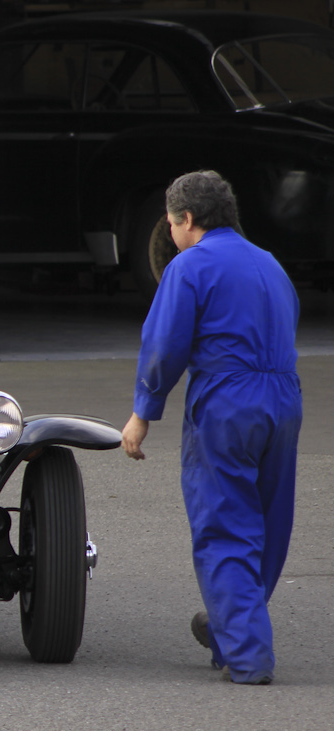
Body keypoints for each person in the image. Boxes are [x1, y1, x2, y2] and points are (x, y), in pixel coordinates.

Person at [121, 171, 301, 686]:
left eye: (170, 223)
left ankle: (247, 656)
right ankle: (230, 630)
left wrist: (143, 412)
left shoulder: (190, 266)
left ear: (188, 219)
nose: (171, 233)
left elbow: (165, 345)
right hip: (283, 399)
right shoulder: (269, 263)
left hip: (228, 400)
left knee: (226, 527)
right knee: (268, 523)